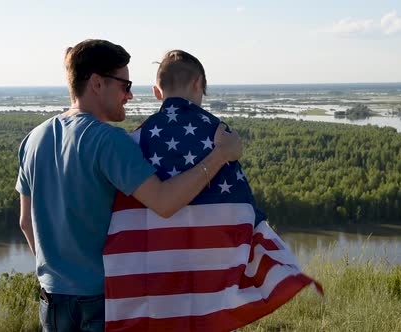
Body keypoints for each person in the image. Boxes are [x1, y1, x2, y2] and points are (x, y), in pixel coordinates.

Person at [15, 40, 243, 332]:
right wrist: (221, 154)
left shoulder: (34, 138)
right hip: (104, 301)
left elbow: (25, 221)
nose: (130, 95)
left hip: (51, 298)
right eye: (125, 85)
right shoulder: (108, 140)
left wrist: (57, 277)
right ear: (97, 83)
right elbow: (164, 202)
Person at [103, 50, 321, 331]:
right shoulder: (221, 137)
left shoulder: (133, 142)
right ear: (198, 84)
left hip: (153, 299)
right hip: (208, 298)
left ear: (157, 91)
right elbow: (242, 212)